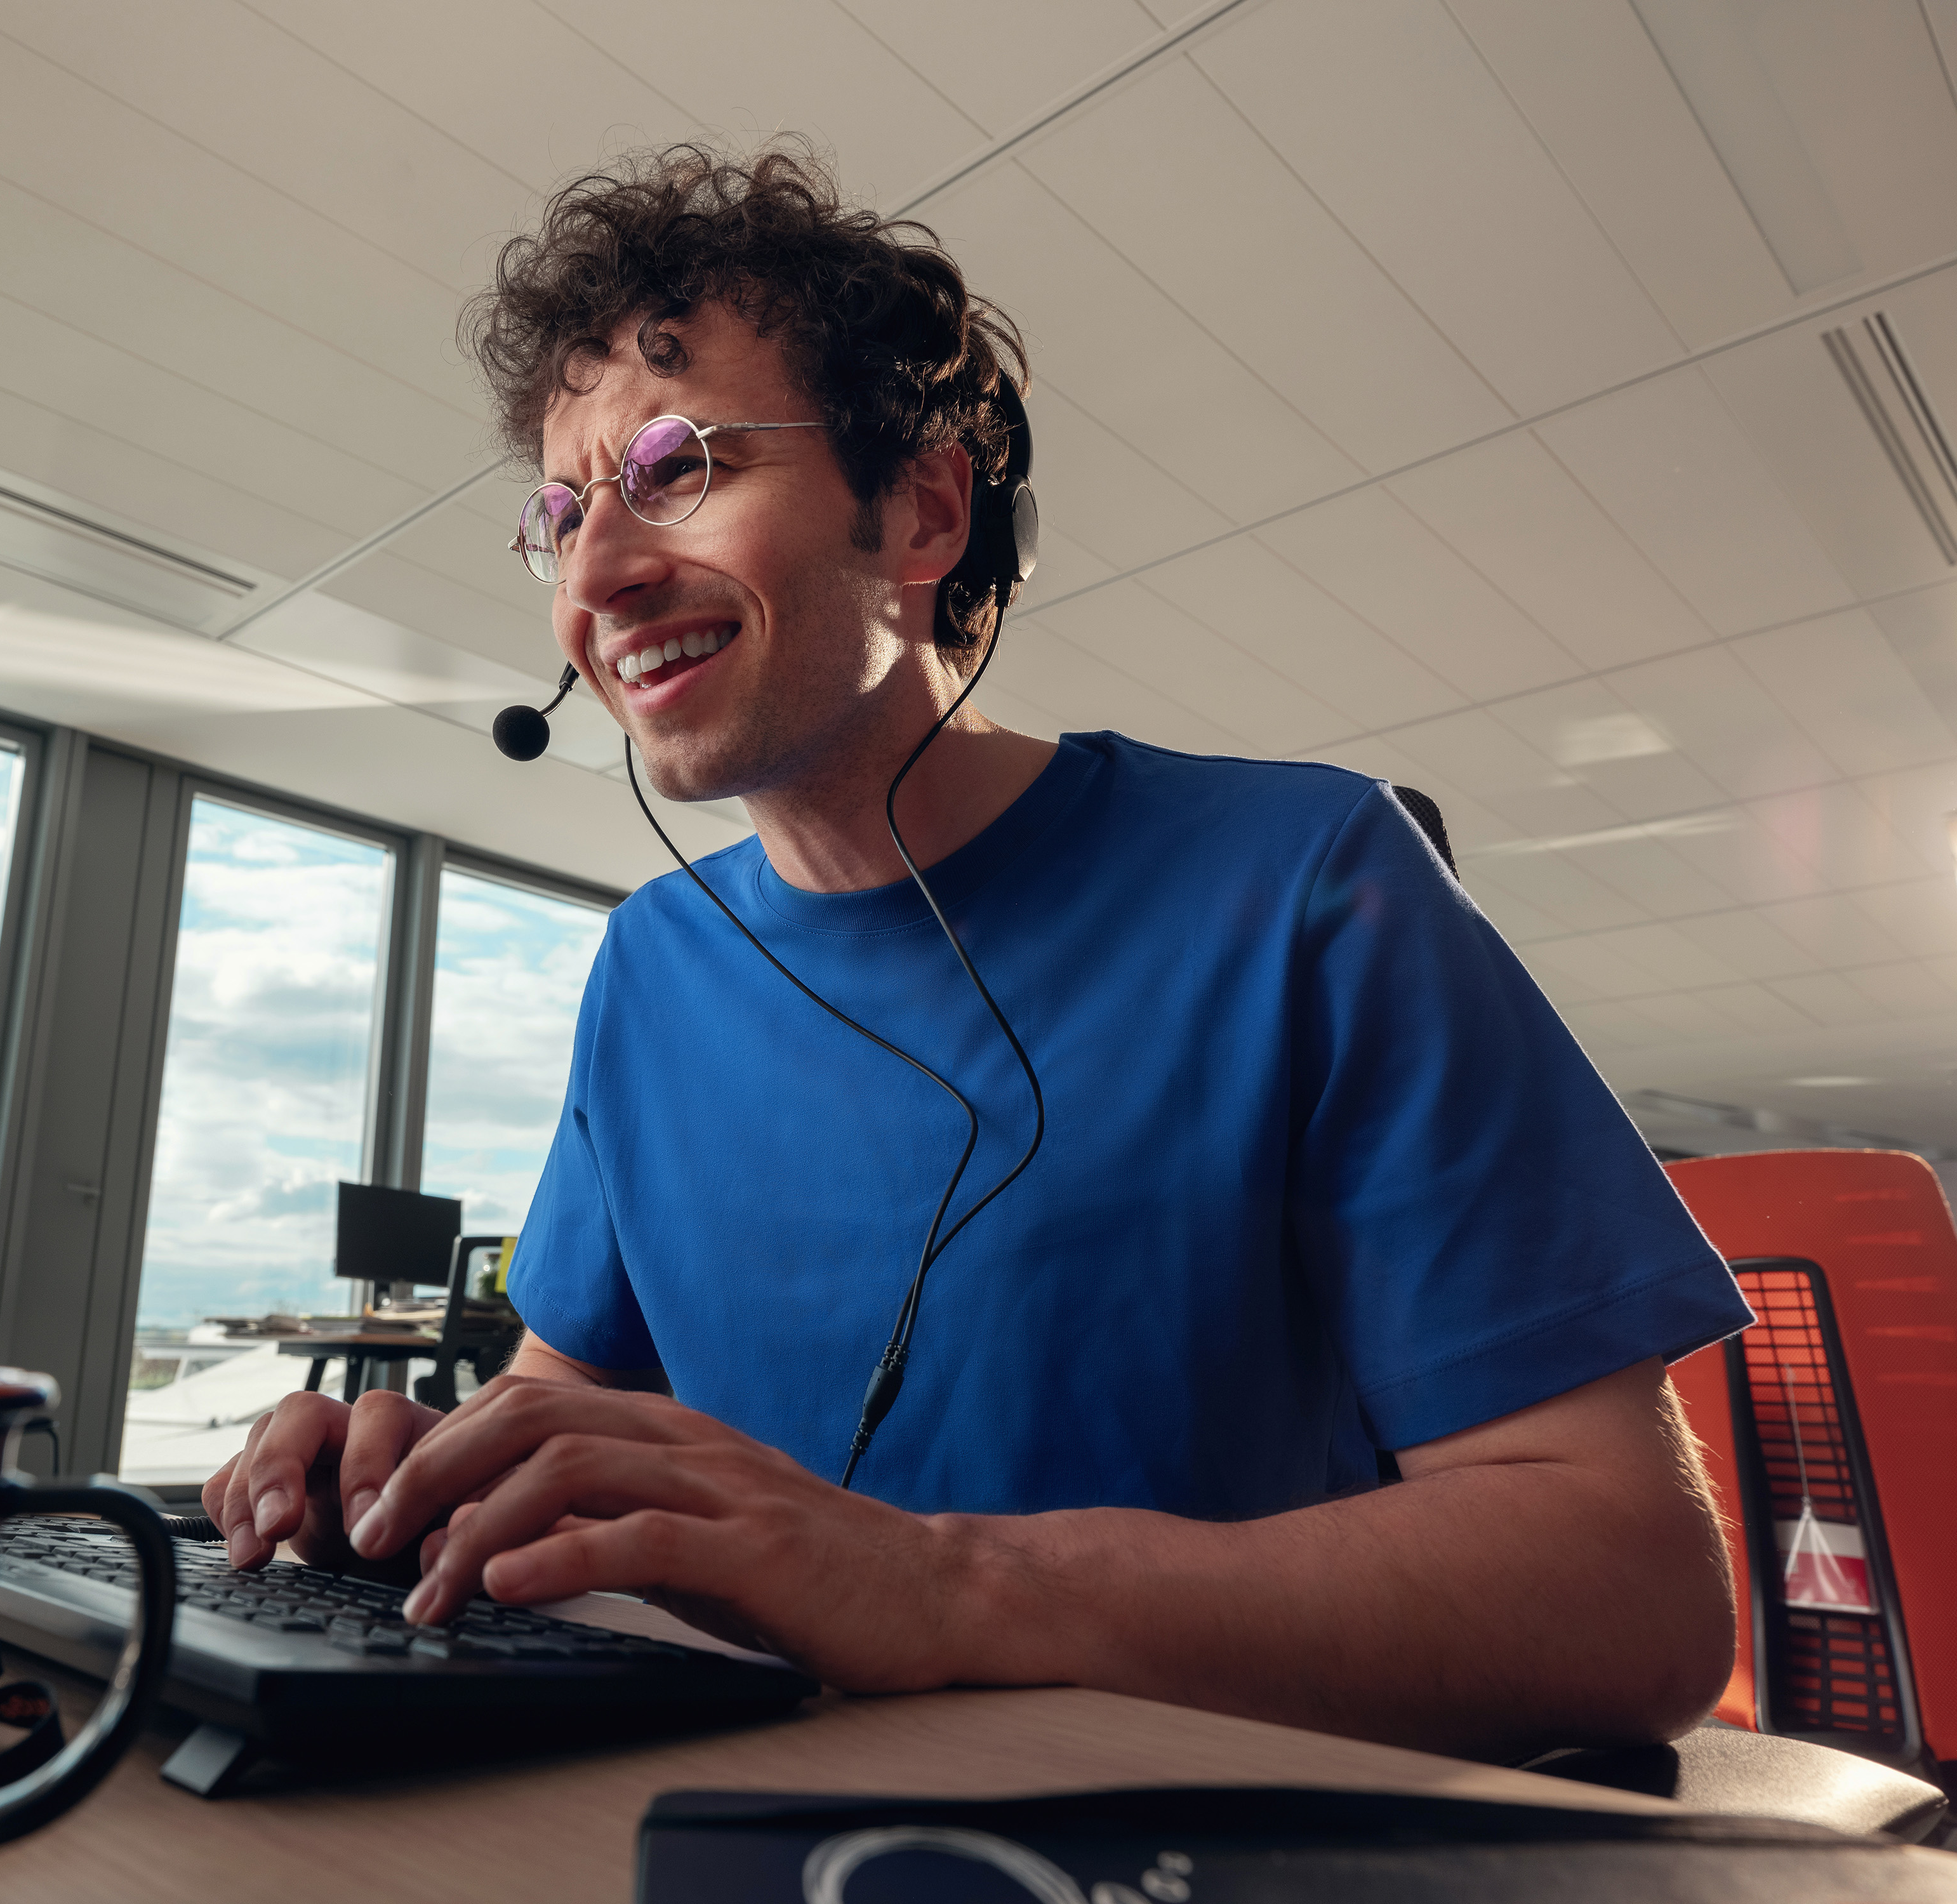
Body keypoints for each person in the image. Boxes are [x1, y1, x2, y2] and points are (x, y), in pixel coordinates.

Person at [204, 145, 1751, 1762]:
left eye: (676, 467)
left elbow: (1631, 1593)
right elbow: (554, 1431)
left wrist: (947, 1586)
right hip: (739, 1825)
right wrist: (398, 1489)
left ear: (922, 510)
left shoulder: (1309, 879)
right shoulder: (651, 967)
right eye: (560, 509)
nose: (592, 575)